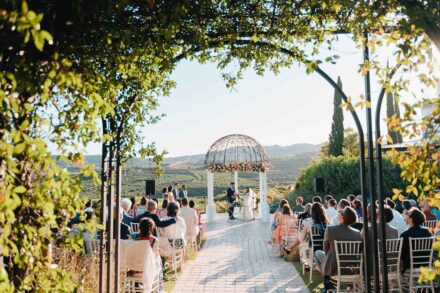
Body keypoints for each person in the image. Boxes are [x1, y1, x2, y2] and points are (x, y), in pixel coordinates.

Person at [314, 207, 361, 291]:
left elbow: (325, 249)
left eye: (340, 212)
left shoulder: (330, 229)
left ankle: (327, 280)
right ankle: (331, 281)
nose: (338, 213)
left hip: (333, 269)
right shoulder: (357, 233)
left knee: (317, 253)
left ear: (342, 216)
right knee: (326, 256)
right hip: (350, 269)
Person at [291, 203, 328, 269]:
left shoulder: (307, 221)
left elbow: (301, 239)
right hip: (324, 248)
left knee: (303, 242)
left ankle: (306, 262)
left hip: (311, 248)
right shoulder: (326, 222)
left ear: (312, 211)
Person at [400, 207, 432, 273]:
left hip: (411, 265)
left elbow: (400, 254)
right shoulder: (428, 231)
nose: (405, 214)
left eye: (407, 213)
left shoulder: (405, 235)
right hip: (426, 263)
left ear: (410, 219)